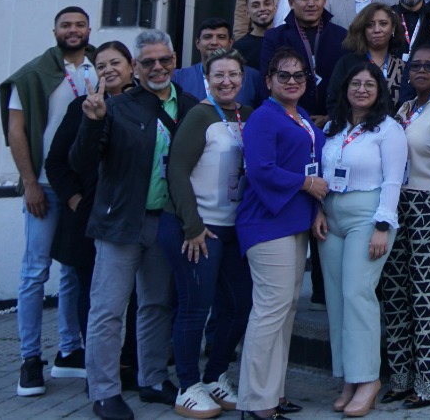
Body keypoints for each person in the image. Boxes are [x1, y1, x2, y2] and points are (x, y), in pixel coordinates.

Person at [72, 29, 200, 420]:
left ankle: (154, 379)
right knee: (108, 310)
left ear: (174, 61)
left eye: (164, 60)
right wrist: (92, 122)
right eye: (148, 62)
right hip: (121, 223)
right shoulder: (116, 107)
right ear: (135, 67)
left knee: (156, 304)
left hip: (166, 222)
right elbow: (81, 161)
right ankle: (104, 391)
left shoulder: (190, 105)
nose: (157, 67)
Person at [0, 5, 99, 396]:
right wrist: (29, 183)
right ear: (54, 31)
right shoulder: (32, 75)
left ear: (89, 29)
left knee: (73, 269)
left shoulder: (98, 68)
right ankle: (29, 360)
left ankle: (69, 350)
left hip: (79, 188)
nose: (73, 30)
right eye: (66, 25)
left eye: (80, 25)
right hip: (44, 185)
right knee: (35, 272)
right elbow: (17, 130)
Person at [161, 51, 254, 419]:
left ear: (243, 78)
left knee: (239, 304)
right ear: (207, 80)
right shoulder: (199, 116)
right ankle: (187, 385)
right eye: (219, 75)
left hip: (233, 229)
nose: (226, 82)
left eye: (233, 74)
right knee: (195, 307)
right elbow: (177, 172)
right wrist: (193, 225)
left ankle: (215, 375)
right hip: (198, 229)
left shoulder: (247, 115)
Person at [237, 47, 327, 420]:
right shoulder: (263, 117)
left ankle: (273, 392)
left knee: (286, 310)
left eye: (299, 75)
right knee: (270, 310)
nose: (292, 81)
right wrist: (306, 184)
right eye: (283, 75)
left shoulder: (300, 116)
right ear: (269, 80)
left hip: (295, 221)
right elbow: (261, 170)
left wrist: (316, 206)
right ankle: (256, 402)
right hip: (266, 222)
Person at [315, 59, 407, 417]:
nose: (362, 90)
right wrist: (318, 210)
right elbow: (321, 172)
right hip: (331, 214)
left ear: (379, 90)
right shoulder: (333, 127)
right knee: (337, 298)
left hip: (367, 215)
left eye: (370, 84)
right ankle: (348, 378)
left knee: (358, 294)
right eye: (356, 83)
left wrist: (383, 225)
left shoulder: (388, 129)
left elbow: (393, 180)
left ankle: (368, 379)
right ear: (345, 88)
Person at [44, 41, 135, 368]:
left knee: (138, 296)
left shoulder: (145, 106)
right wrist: (75, 200)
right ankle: (97, 364)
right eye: (101, 65)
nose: (108, 70)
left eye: (115, 63)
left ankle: (130, 362)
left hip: (133, 215)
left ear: (131, 66)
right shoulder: (80, 107)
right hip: (88, 217)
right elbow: (56, 162)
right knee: (91, 291)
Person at [381, 49, 430, 409]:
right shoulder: (404, 109)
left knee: (427, 298)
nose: (422, 70)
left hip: (428, 208)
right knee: (395, 294)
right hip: (397, 208)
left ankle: (429, 384)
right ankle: (400, 377)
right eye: (416, 66)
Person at [260, 0, 349, 121]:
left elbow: (350, 82)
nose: (311, 3)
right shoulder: (274, 37)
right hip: (287, 121)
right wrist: (294, 119)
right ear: (291, 3)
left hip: (334, 122)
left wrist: (330, 118)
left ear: (325, 0)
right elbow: (266, 84)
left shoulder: (342, 36)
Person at [334, 2, 406, 112]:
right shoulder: (347, 63)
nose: (377, 30)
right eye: (370, 25)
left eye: (383, 24)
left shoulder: (402, 67)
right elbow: (334, 102)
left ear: (393, 28)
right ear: (362, 29)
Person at [234, 0, 279, 100]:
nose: (262, 9)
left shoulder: (285, 40)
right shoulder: (239, 48)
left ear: (275, 8)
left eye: (267, 4)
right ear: (247, 13)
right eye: (255, 5)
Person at [174, 18, 233, 101]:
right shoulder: (178, 77)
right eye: (207, 37)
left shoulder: (249, 78)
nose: (214, 42)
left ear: (230, 43)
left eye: (221, 37)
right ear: (197, 43)